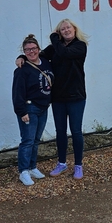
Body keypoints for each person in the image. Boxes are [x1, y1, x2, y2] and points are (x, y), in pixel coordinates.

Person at [18, 19, 89, 179]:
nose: (65, 30)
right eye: (62, 29)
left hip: (76, 96)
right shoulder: (55, 47)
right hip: (58, 98)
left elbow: (64, 54)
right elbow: (37, 56)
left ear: (74, 29)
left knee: (76, 131)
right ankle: (62, 163)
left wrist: (53, 38)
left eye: (68, 27)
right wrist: (22, 56)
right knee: (60, 132)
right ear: (59, 32)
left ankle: (78, 165)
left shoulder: (80, 46)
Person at [12, 34, 54, 186]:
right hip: (30, 108)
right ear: (24, 51)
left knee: (36, 140)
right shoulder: (22, 70)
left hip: (43, 107)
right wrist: (22, 112)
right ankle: (23, 171)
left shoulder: (47, 63)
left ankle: (32, 167)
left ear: (38, 49)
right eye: (27, 50)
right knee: (28, 140)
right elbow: (17, 93)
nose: (31, 52)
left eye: (33, 48)